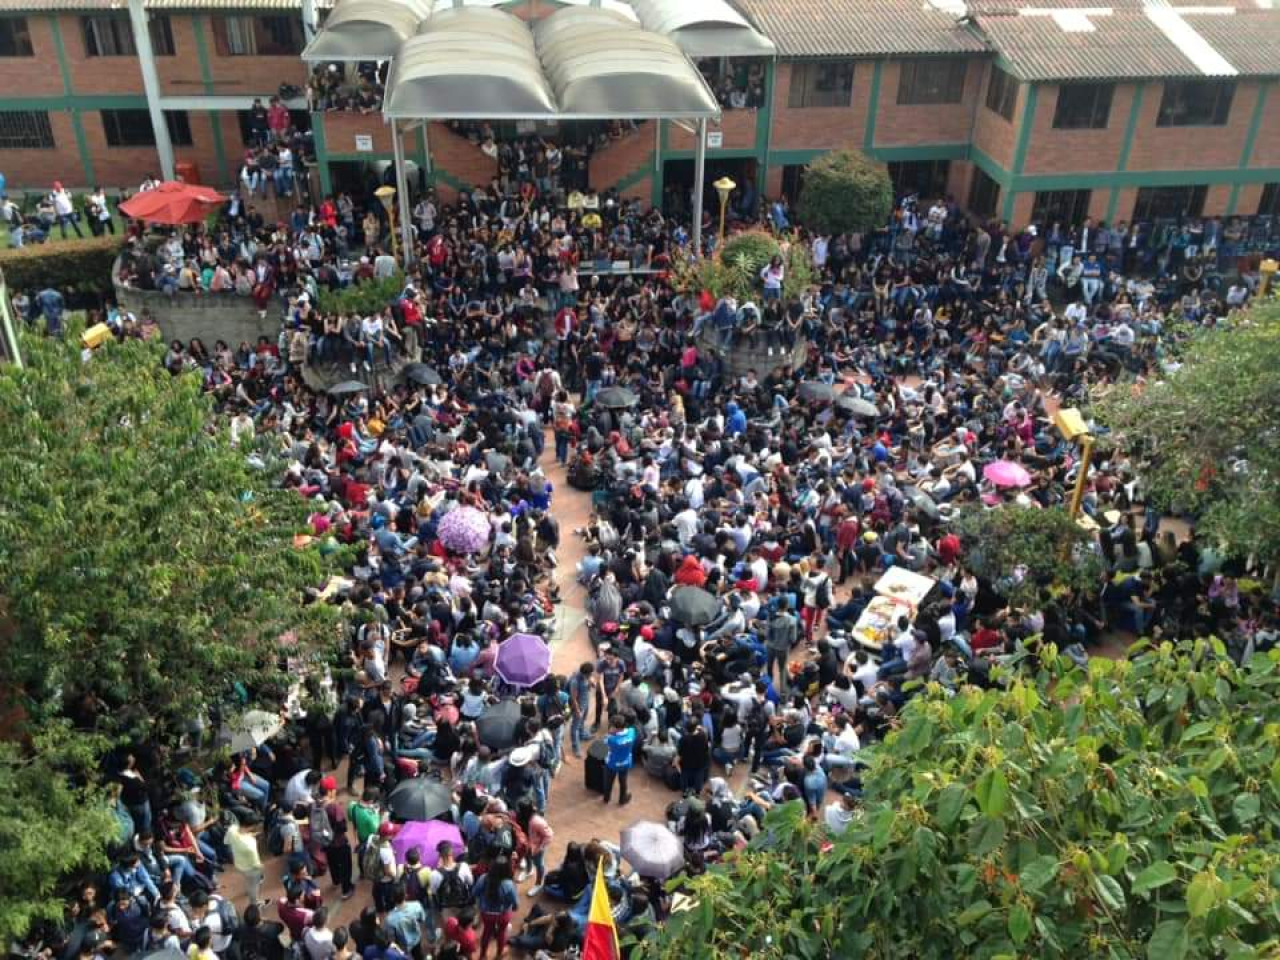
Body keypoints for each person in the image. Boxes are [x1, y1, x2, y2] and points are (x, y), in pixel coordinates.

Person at [472, 856, 518, 960]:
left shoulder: (483, 878)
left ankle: (483, 955)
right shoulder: (509, 884)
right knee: (502, 932)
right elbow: (514, 902)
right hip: (503, 914)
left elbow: (474, 892)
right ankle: (499, 953)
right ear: (507, 869)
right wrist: (513, 908)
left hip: (486, 913)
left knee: (487, 932)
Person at [226, 811, 266, 906]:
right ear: (252, 826)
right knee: (254, 886)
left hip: (238, 863)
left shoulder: (232, 829)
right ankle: (254, 902)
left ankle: (249, 891)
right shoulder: (250, 843)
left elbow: (227, 841)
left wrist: (247, 836)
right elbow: (255, 863)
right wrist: (261, 867)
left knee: (248, 880)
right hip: (251, 868)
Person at [601, 714, 635, 806]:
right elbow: (630, 730)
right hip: (626, 762)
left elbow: (603, 746)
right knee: (623, 782)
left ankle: (606, 798)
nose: (610, 727)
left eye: (612, 726)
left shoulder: (611, 739)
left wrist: (609, 734)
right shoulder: (632, 732)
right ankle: (622, 799)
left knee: (608, 782)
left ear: (617, 728)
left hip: (612, 764)